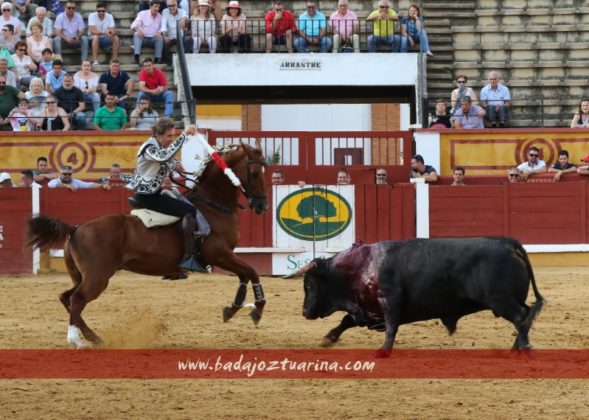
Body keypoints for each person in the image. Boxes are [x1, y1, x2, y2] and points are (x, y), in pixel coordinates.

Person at [126, 118, 207, 273]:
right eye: (169, 136)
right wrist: (183, 135)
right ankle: (188, 259)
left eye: (173, 136)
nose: (171, 139)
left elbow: (166, 158)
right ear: (158, 135)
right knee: (189, 210)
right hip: (148, 197)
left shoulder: (157, 146)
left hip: (153, 194)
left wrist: (175, 164)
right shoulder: (149, 147)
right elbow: (162, 157)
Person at [131, 0, 163, 64]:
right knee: (136, 34)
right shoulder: (142, 14)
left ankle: (157, 59)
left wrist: (160, 32)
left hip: (153, 39)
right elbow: (134, 25)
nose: (157, 9)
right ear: (150, 6)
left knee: (160, 37)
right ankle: (136, 58)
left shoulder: (160, 16)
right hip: (143, 38)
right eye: (155, 6)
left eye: (158, 7)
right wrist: (138, 30)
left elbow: (162, 27)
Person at [87, 2, 120, 66]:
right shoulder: (92, 16)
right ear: (96, 10)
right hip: (92, 39)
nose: (101, 13)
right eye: (99, 11)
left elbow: (112, 29)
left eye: (103, 11)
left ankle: (114, 60)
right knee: (96, 36)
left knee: (116, 38)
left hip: (105, 38)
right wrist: (104, 32)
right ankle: (95, 60)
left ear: (106, 10)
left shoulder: (109, 16)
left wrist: (110, 33)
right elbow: (92, 31)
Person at [161, 0, 189, 64]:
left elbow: (186, 16)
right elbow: (163, 24)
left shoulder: (182, 11)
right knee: (162, 40)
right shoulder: (165, 11)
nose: (171, 7)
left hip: (180, 37)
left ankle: (184, 58)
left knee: (189, 40)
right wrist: (164, 36)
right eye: (169, 6)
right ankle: (167, 61)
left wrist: (184, 19)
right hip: (170, 37)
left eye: (173, 5)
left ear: (177, 5)